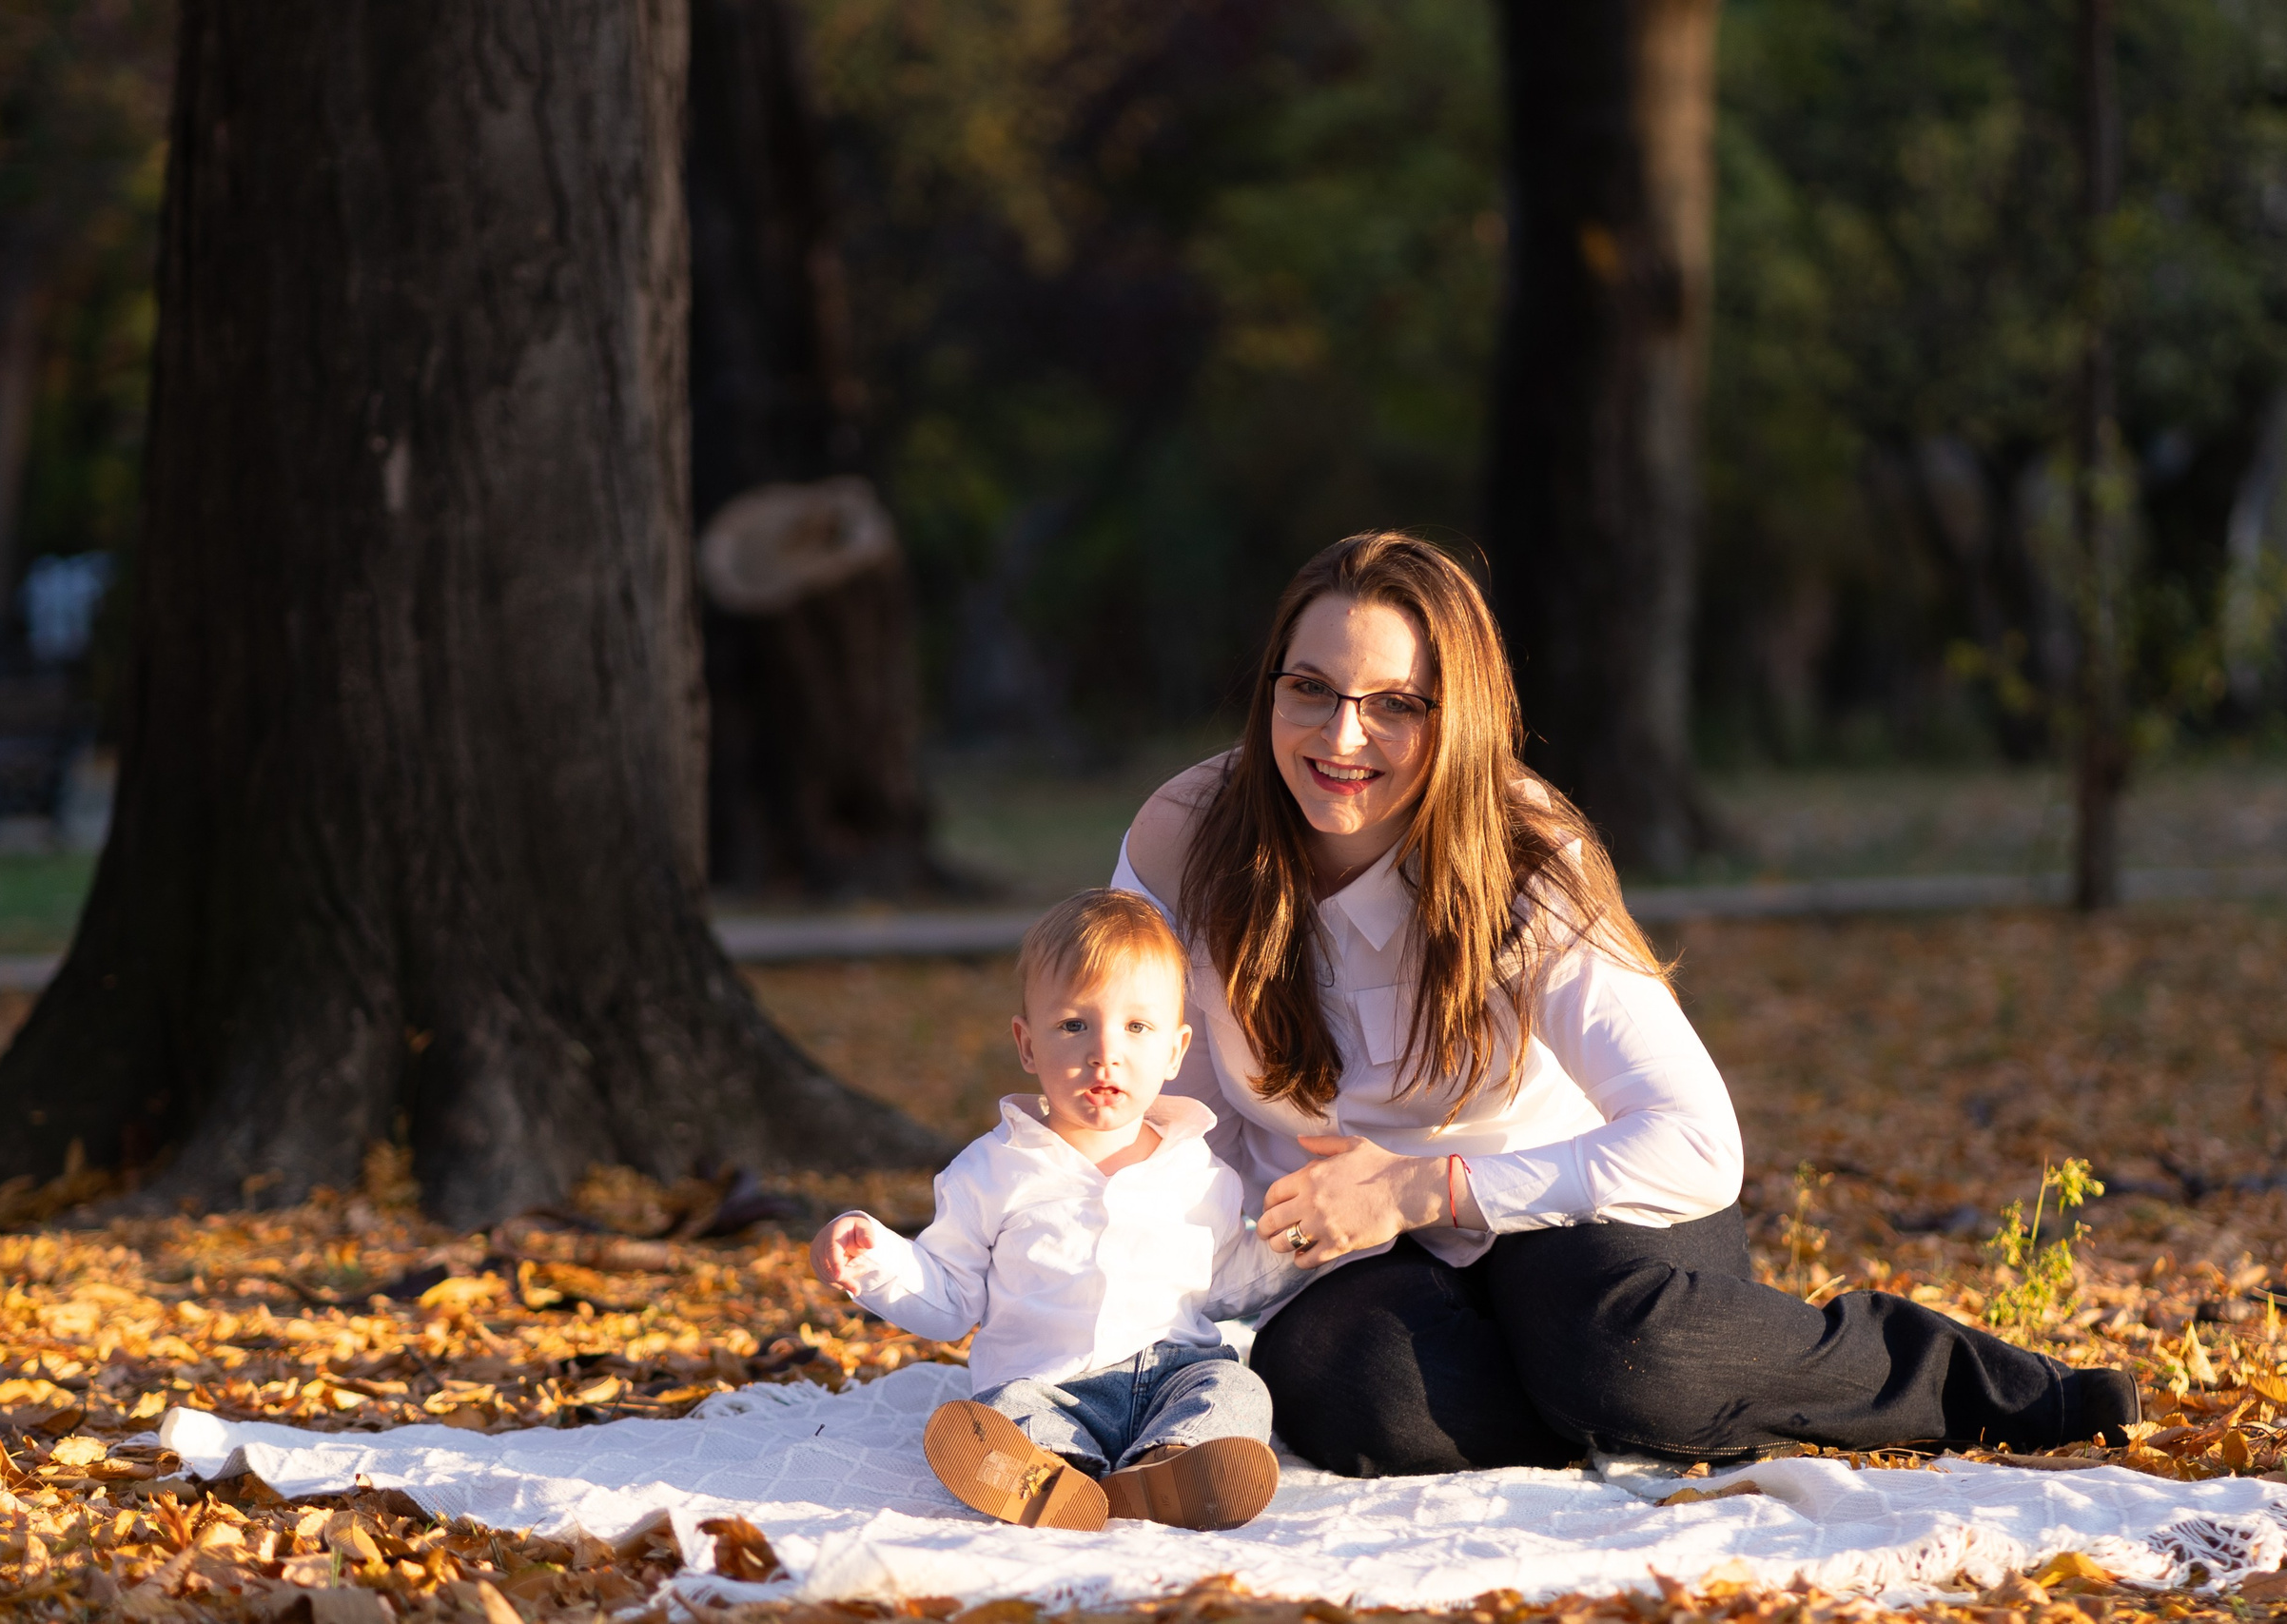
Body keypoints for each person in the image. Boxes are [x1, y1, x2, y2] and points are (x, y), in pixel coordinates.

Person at [1113, 531, 2140, 1477]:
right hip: (1342, 1240)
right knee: (1361, 1403)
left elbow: (1695, 1143)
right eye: (1311, 688)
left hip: (1571, 1210)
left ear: (1454, 715)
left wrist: (1422, 1189)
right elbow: (1164, 1118)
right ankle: (1604, 1402)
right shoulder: (1187, 839)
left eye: (1396, 703)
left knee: (1629, 1358)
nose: (1343, 735)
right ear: (1269, 690)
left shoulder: (1521, 855)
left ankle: (1952, 1379)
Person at [811, 889, 1296, 1531]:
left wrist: (1290, 1244)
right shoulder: (991, 1170)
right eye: (1074, 1024)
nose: (1105, 1051)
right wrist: (876, 1259)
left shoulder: (1197, 1169)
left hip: (1170, 1373)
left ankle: (1169, 1460)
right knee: (1005, 1409)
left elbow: (1227, 1279)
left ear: (1175, 1050)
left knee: (1237, 1389)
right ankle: (1053, 1471)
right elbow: (950, 1295)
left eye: (1136, 1027)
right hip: (1047, 1383)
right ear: (1028, 1044)